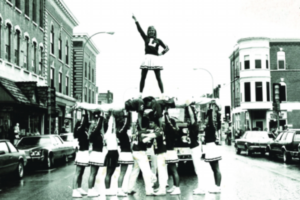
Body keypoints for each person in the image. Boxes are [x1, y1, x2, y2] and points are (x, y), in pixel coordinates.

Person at [132, 14, 169, 99]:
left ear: (155, 32)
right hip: (147, 57)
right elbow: (140, 30)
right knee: (143, 76)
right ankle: (140, 94)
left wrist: (161, 53)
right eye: (150, 30)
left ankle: (162, 94)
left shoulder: (158, 40)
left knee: (158, 77)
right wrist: (136, 20)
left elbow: (167, 48)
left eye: (153, 30)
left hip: (155, 58)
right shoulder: (146, 38)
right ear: (148, 32)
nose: (151, 32)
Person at [127, 116, 156, 196]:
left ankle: (130, 188)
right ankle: (149, 190)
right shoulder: (145, 132)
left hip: (135, 152)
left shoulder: (137, 131)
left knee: (135, 171)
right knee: (146, 171)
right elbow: (149, 145)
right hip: (141, 153)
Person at [141, 111, 168, 196]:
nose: (150, 124)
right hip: (160, 152)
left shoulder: (158, 129)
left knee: (161, 171)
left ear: (155, 123)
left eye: (151, 122)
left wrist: (145, 138)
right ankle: (161, 187)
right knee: (161, 170)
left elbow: (155, 135)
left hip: (162, 152)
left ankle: (162, 189)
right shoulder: (157, 129)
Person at [185, 104, 206, 195]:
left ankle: (201, 189)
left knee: (198, 170)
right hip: (195, 148)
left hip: (196, 149)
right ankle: (200, 188)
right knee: (197, 170)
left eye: (189, 119)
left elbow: (192, 115)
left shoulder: (194, 125)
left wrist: (188, 106)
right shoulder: (192, 126)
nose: (188, 120)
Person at [203, 101, 222, 193]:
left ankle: (218, 187)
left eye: (206, 118)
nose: (206, 120)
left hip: (212, 147)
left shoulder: (211, 126)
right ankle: (216, 186)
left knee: (216, 168)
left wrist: (210, 107)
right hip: (209, 147)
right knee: (214, 169)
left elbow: (210, 118)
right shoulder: (209, 126)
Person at [114, 110, 133, 197]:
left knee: (124, 173)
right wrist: (126, 115)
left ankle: (121, 189)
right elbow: (125, 125)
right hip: (125, 153)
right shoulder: (120, 131)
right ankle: (119, 190)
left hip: (126, 152)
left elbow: (126, 125)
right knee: (122, 172)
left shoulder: (121, 131)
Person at [87, 112, 106, 197]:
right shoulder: (94, 133)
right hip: (95, 154)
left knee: (94, 173)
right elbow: (99, 126)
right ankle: (90, 190)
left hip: (98, 154)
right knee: (93, 173)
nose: (96, 124)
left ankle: (92, 189)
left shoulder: (97, 133)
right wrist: (101, 117)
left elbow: (100, 126)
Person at [72, 110, 90, 198]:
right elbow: (83, 123)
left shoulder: (84, 131)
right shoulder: (79, 130)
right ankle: (74, 190)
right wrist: (84, 112)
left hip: (85, 152)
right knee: (78, 172)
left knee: (82, 172)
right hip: (81, 152)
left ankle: (79, 188)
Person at [163, 108, 181, 195]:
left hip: (170, 151)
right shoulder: (174, 130)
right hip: (171, 151)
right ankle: (174, 186)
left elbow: (167, 121)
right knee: (172, 170)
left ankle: (177, 188)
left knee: (174, 170)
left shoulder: (171, 129)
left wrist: (165, 112)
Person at [103, 113, 120, 196]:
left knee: (111, 172)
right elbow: (111, 125)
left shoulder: (110, 134)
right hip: (112, 153)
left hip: (114, 153)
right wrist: (112, 115)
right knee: (109, 173)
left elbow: (112, 125)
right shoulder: (108, 133)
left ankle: (108, 189)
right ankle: (107, 190)